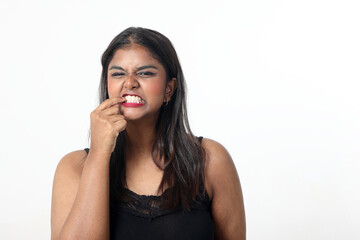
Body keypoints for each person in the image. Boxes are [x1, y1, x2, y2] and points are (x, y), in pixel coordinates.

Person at [51, 27, 246, 240]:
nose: (130, 83)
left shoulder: (211, 160)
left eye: (145, 73)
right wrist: (99, 154)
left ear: (169, 89)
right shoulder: (73, 168)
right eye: (118, 74)